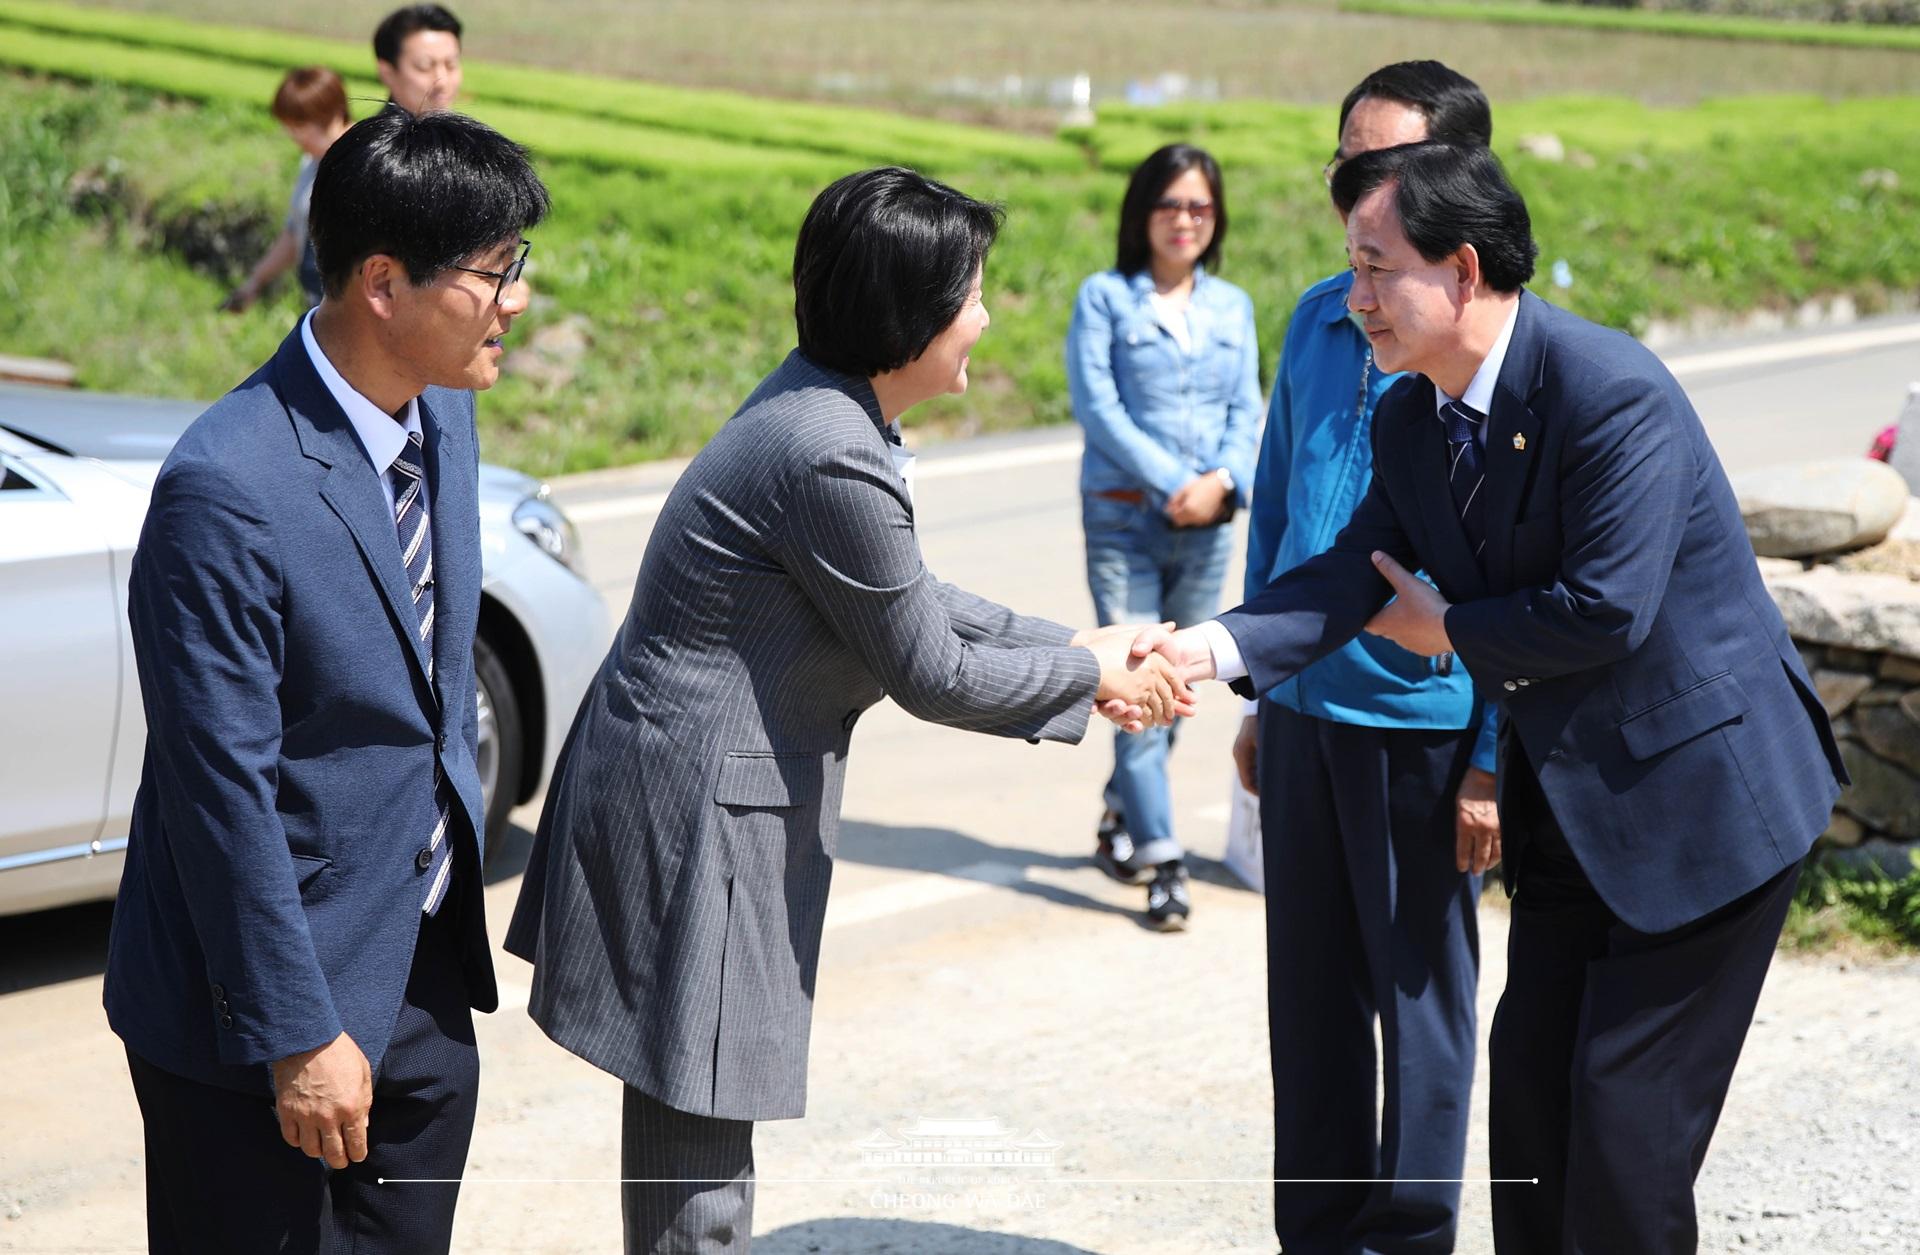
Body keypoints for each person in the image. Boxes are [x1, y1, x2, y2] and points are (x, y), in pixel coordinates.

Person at [1139, 141, 1845, 1254]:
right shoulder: (1411, 418)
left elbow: (1605, 608)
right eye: (1350, 266)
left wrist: (1447, 632)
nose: (1353, 296)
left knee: (1623, 1147)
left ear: (1462, 273)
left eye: (1375, 268)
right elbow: (1347, 572)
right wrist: (1203, 652)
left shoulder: (1608, 390)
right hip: (1572, 815)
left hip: (1705, 812)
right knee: (1531, 1128)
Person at [505, 166, 1187, 1253]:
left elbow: (901, 594)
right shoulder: (829, 447)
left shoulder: (822, 408)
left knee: (698, 1109)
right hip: (699, 814)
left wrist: (1071, 644)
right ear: (905, 316)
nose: (986, 317)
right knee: (700, 1135)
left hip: (687, 783)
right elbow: (931, 669)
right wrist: (1095, 680)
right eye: (970, 295)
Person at [103, 108, 549, 1255]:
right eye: (496, 274)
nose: (519, 303)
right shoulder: (227, 487)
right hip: (257, 1023)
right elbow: (219, 794)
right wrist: (299, 1034)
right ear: (385, 284)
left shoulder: (443, 410)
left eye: (521, 267)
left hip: (418, 977)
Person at [1236, 62, 1498, 1253]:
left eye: (1382, 166)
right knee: (1311, 1007)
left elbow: (1529, 584)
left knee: (1423, 1012)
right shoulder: (1311, 317)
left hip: (1429, 726)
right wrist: (1257, 682)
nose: (1356, 189)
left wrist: (1494, 755)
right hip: (1305, 716)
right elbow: (1278, 505)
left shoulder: (1486, 350)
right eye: (1346, 165)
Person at [1065, 142, 1261, 929]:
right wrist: (1169, 483)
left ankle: (1124, 809)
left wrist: (1222, 483)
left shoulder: (1233, 306)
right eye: (1171, 204)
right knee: (1137, 681)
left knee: (1177, 680)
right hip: (1125, 518)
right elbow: (1098, 405)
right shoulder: (1105, 298)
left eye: (1201, 207)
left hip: (1207, 523)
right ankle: (1162, 857)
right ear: (1142, 212)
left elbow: (1248, 409)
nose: (1186, 220)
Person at [222, 67, 351, 314]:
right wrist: (255, 282)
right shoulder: (311, 162)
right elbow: (295, 232)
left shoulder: (366, 163)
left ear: (331, 115)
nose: (293, 136)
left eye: (299, 127)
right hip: (320, 303)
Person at [374, 3, 464, 115]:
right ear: (387, 74)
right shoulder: (375, 133)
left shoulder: (466, 132)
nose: (442, 82)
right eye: (424, 66)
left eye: (451, 65)